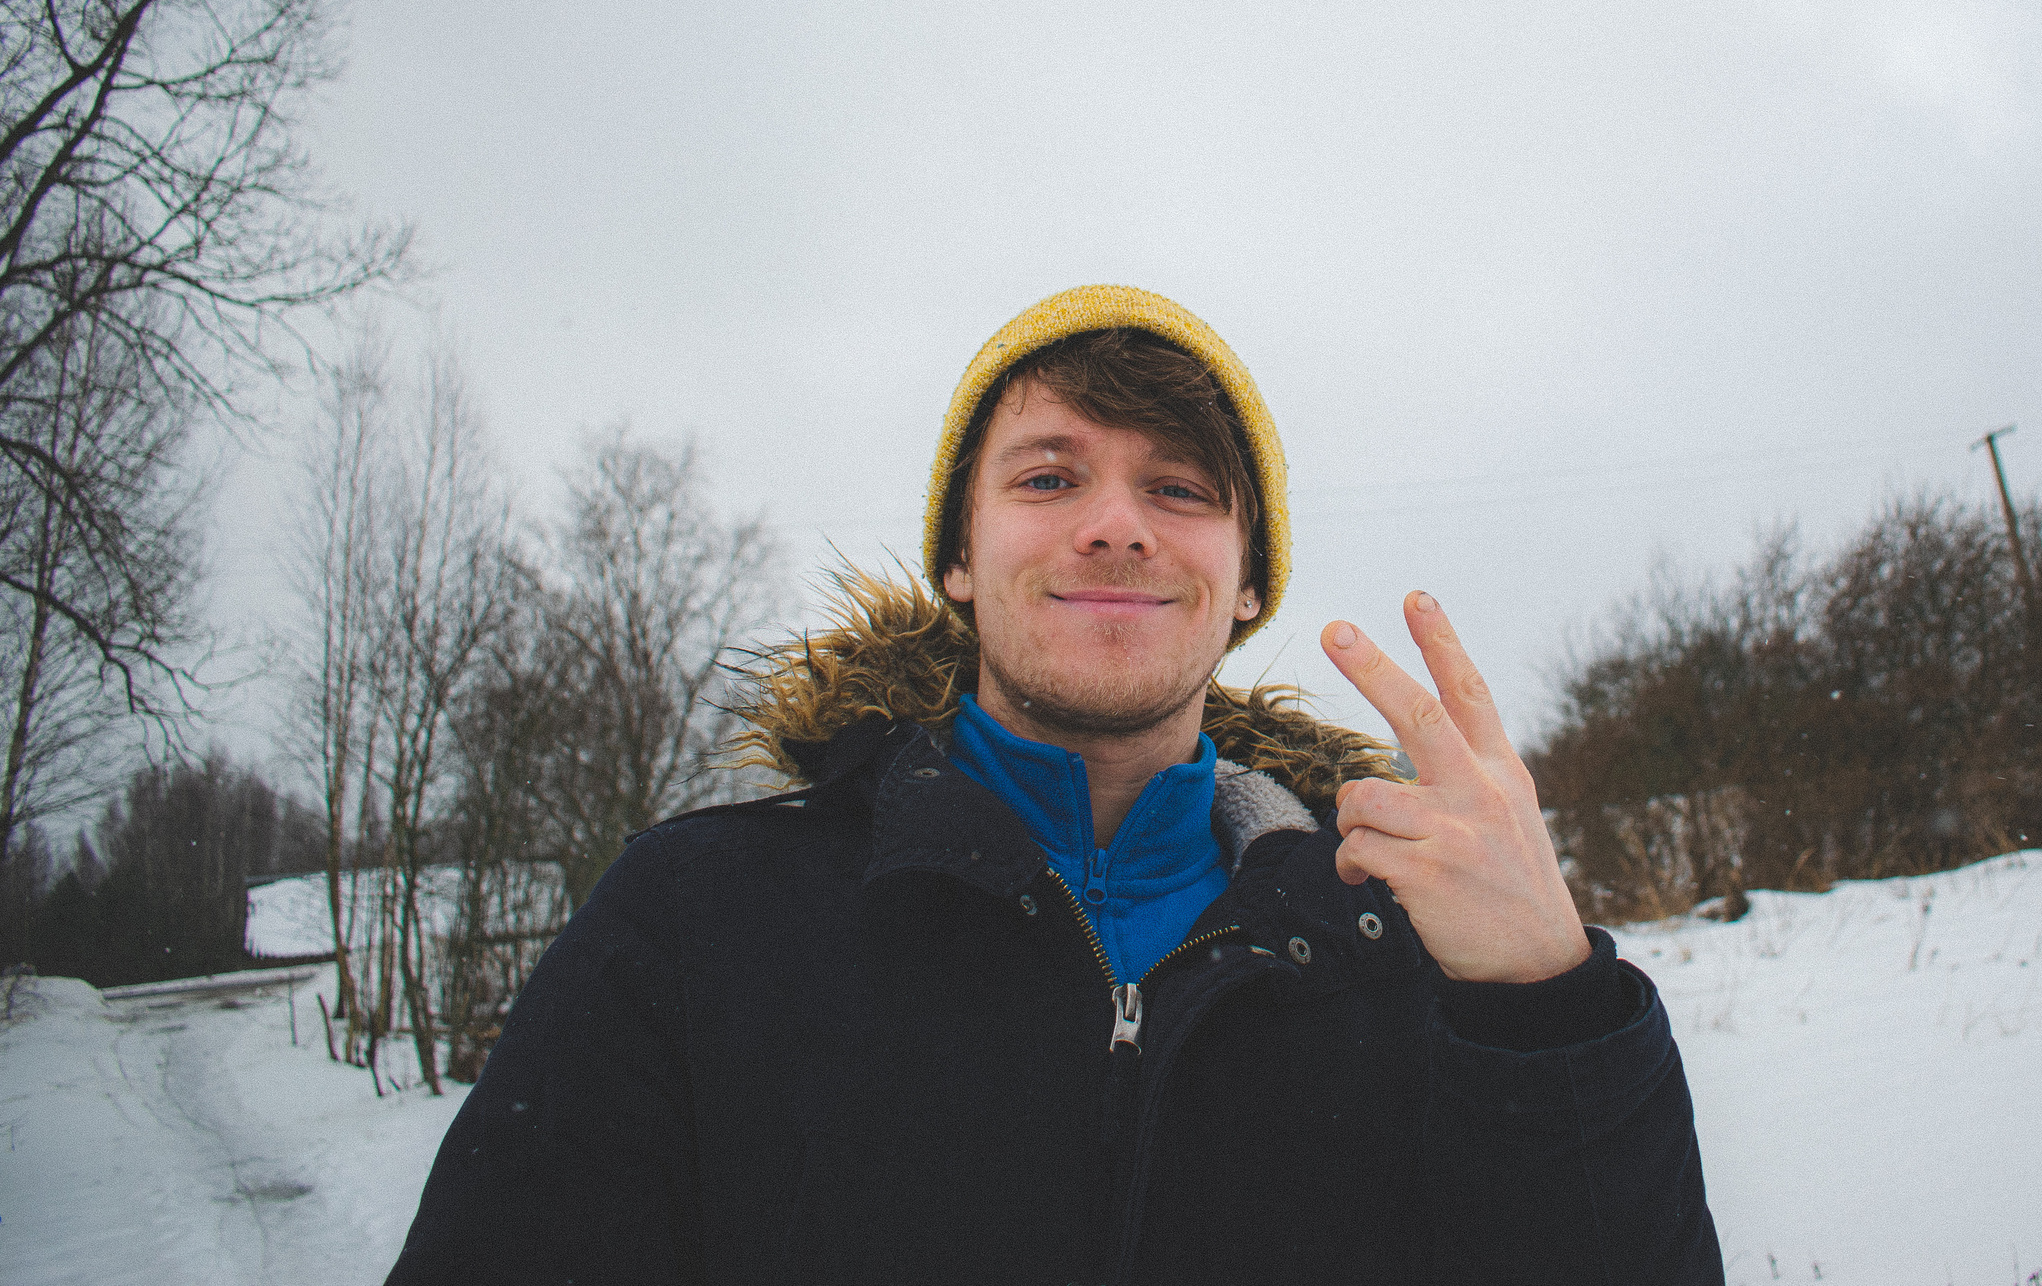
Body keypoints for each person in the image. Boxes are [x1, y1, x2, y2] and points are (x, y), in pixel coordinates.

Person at [388, 285, 1720, 1285]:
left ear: (1246, 582)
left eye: (1180, 487)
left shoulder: (1400, 947)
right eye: (1048, 475)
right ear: (960, 557)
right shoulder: (699, 916)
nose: (1117, 522)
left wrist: (1553, 1012)